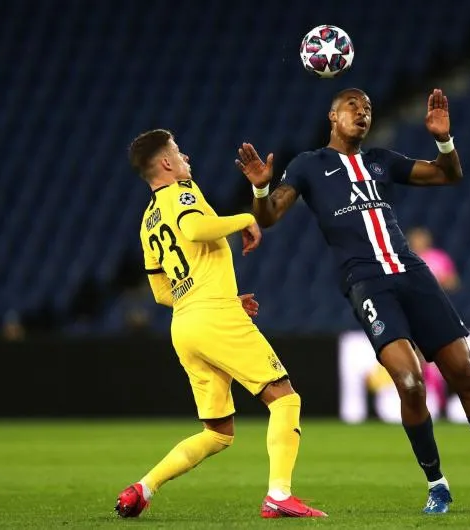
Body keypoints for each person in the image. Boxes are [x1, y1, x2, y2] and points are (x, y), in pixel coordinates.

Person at [236, 89, 470, 514]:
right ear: (333, 116)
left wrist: (444, 141)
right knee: (409, 381)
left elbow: (447, 175)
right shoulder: (308, 165)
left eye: (368, 108)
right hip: (366, 282)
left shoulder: (381, 160)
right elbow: (270, 215)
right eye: (353, 106)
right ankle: (437, 485)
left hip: (412, 273)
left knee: (466, 375)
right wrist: (260, 188)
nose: (362, 113)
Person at [115, 129, 326, 519]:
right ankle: (279, 495)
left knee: (217, 434)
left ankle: (142, 488)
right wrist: (246, 218)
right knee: (285, 398)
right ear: (166, 163)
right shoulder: (183, 192)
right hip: (212, 315)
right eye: (178, 151)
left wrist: (217, 297)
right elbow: (195, 229)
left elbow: (160, 292)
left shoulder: (147, 221)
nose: (185, 157)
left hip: (184, 323)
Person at [406, 227, 460, 292]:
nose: (418, 243)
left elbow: (454, 282)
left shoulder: (439, 257)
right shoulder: (406, 259)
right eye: (415, 240)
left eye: (420, 239)